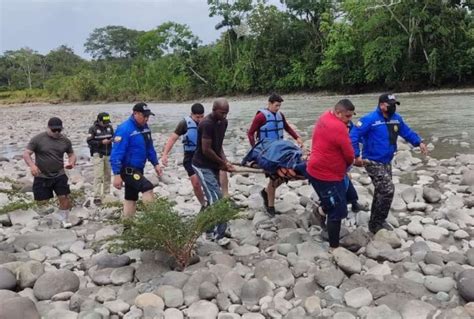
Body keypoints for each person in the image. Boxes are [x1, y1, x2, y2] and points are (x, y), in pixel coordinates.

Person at [350, 93, 428, 234]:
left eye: (394, 104)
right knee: (388, 190)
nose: (393, 107)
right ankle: (377, 223)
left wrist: (419, 142)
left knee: (381, 192)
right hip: (372, 160)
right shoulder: (370, 119)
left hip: (387, 161)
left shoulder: (396, 119)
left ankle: (375, 221)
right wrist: (356, 156)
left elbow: (406, 132)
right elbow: (354, 136)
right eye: (390, 105)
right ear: (382, 105)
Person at [306, 99, 356, 250]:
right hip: (326, 175)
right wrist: (350, 164)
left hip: (321, 170)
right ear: (338, 113)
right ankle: (334, 248)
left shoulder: (325, 116)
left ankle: (320, 211)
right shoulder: (338, 127)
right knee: (338, 211)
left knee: (350, 196)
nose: (349, 121)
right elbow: (349, 154)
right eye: (347, 117)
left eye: (351, 117)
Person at [161, 103, 229, 209]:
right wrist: (165, 154)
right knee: (196, 183)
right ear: (191, 114)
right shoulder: (184, 123)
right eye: (197, 117)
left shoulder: (208, 123)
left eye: (202, 116)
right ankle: (204, 205)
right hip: (190, 156)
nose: (200, 119)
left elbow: (216, 142)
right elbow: (173, 138)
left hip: (205, 154)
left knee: (219, 175)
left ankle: (224, 198)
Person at [247, 93, 303, 217]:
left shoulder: (279, 115)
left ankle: (266, 193)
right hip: (267, 151)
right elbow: (251, 133)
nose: (278, 108)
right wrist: (255, 150)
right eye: (276, 105)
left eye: (279, 106)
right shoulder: (261, 117)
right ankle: (270, 206)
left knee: (286, 173)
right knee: (275, 175)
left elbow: (287, 128)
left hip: (279, 149)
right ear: (270, 103)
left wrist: (297, 137)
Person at [110, 102, 162, 218]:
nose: (146, 119)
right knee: (147, 187)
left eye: (148, 116)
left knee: (131, 197)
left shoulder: (145, 128)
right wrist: (117, 174)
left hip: (139, 168)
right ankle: (156, 220)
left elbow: (149, 147)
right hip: (127, 169)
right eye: (144, 116)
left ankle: (127, 228)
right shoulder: (124, 129)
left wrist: (156, 164)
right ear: (135, 114)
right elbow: (116, 153)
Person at [192, 98, 235, 240]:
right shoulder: (206, 124)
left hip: (213, 164)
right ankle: (219, 234)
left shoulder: (224, 122)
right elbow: (206, 150)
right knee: (216, 197)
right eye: (222, 113)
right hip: (202, 165)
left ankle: (207, 230)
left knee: (212, 197)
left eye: (226, 113)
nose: (224, 116)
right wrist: (222, 163)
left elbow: (218, 145)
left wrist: (225, 161)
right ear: (214, 110)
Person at [23, 117, 76, 227]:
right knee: (42, 202)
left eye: (59, 130)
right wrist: (32, 166)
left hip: (59, 174)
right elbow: (26, 154)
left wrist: (71, 162)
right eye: (54, 130)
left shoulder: (65, 141)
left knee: (64, 197)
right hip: (41, 175)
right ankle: (48, 217)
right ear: (48, 128)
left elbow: (71, 154)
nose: (56, 132)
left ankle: (64, 219)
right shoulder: (38, 139)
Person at [87, 112, 114, 205]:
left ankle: (106, 194)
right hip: (98, 154)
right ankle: (97, 196)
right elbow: (89, 141)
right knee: (98, 176)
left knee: (108, 175)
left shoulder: (110, 128)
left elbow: (113, 137)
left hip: (108, 154)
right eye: (104, 122)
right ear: (99, 121)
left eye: (107, 122)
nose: (106, 123)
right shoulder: (93, 129)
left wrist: (115, 139)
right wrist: (101, 142)